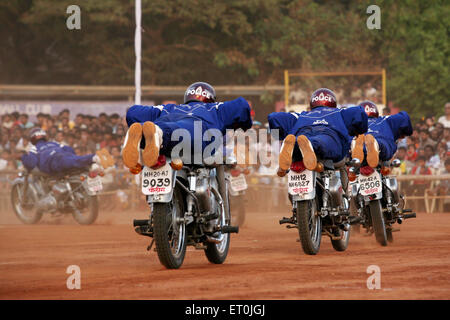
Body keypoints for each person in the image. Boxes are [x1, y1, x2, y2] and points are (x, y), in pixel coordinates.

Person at [122, 82, 253, 170]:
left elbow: (134, 112)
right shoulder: (215, 108)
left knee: (161, 127)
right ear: (210, 97)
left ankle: (143, 136)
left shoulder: (170, 107)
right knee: (184, 132)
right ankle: (158, 134)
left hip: (166, 124)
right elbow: (242, 105)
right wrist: (244, 125)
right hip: (195, 129)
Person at [267, 88, 368, 174]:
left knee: (297, 142)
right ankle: (309, 145)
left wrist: (281, 136)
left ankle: (290, 143)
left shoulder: (301, 115)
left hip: (304, 132)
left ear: (312, 102)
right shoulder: (339, 112)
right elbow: (359, 112)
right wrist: (359, 130)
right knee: (322, 142)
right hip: (327, 134)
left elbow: (274, 117)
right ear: (332, 101)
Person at [21, 128, 114, 175]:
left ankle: (93, 159)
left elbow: (32, 162)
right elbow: (69, 150)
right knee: (73, 159)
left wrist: (23, 157)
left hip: (53, 162)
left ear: (32, 138)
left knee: (68, 160)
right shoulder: (54, 143)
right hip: (63, 156)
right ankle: (92, 162)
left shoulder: (34, 148)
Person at [357, 100, 413, 167]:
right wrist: (404, 133)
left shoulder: (353, 123)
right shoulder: (384, 119)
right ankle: (376, 145)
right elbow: (404, 117)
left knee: (351, 144)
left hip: (358, 148)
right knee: (382, 144)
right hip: (378, 143)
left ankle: (355, 146)